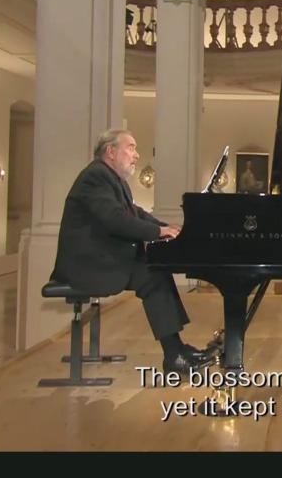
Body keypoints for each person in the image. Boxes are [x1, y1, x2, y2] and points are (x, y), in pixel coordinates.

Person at [51, 129, 211, 376]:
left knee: (155, 269)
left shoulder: (112, 179)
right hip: (87, 265)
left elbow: (133, 212)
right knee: (152, 274)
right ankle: (174, 354)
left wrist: (165, 228)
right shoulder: (96, 177)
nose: (137, 155)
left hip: (100, 259)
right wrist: (159, 233)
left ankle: (177, 349)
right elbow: (114, 219)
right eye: (131, 148)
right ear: (111, 151)